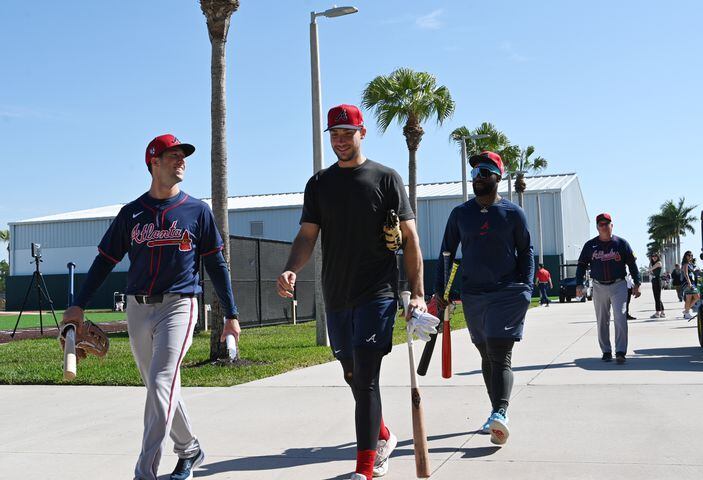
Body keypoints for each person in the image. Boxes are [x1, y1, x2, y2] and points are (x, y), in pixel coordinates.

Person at [62, 134, 241, 480]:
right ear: (153, 163)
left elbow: (217, 264)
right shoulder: (131, 214)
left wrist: (231, 315)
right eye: (173, 156)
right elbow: (104, 261)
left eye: (183, 156)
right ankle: (190, 449)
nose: (181, 161)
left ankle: (145, 472)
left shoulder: (197, 211)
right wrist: (78, 305)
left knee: (161, 383)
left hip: (180, 305)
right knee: (160, 387)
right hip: (137, 307)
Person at [276, 104, 426, 480]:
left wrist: (418, 293)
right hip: (336, 294)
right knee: (350, 375)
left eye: (347, 132)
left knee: (366, 378)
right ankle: (384, 436)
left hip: (377, 292)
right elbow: (307, 235)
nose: (341, 140)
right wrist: (291, 268)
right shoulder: (319, 185)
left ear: (363, 132)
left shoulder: (386, 178)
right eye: (335, 134)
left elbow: (410, 240)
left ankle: (365, 468)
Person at [434, 151, 534, 446]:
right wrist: (441, 291)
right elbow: (446, 252)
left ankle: (500, 412)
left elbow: (526, 251)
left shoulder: (513, 213)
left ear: (497, 177)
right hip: (473, 295)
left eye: (484, 172)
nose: (477, 177)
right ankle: (495, 413)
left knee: (500, 354)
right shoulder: (460, 214)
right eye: (475, 172)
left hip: (507, 293)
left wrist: (527, 288)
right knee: (486, 357)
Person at [576, 213, 640, 364]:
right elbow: (581, 266)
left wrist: (637, 283)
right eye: (601, 224)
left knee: (620, 317)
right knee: (602, 320)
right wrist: (579, 284)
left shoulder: (621, 243)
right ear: (597, 227)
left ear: (612, 225)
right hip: (598, 286)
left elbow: (632, 264)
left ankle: (620, 351)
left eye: (607, 224)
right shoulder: (590, 245)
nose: (604, 226)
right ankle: (606, 351)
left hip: (619, 285)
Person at [681, 251, 700, 320]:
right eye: (688, 255)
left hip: (692, 282)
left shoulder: (690, 264)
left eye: (691, 255)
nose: (690, 257)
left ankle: (686, 311)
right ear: (685, 256)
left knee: (697, 297)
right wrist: (689, 283)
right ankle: (686, 313)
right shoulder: (685, 264)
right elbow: (686, 274)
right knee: (689, 298)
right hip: (687, 283)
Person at [648, 252, 665, 318]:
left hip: (658, 281)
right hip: (654, 280)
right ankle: (662, 312)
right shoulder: (653, 263)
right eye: (653, 256)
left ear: (658, 257)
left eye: (655, 256)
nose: (654, 257)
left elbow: (650, 269)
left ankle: (657, 312)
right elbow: (650, 271)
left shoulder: (659, 263)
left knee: (657, 297)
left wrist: (650, 269)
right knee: (657, 297)